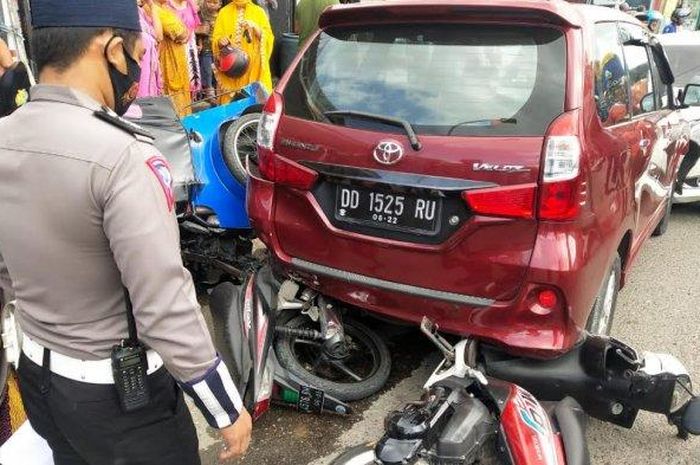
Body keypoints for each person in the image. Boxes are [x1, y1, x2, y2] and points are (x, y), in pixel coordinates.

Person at [0, 1, 252, 464]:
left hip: (39, 378)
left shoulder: (4, 135)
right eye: (136, 53)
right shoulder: (122, 157)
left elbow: (4, 275)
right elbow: (161, 302)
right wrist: (225, 408)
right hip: (121, 402)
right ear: (113, 51)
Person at [212, 0, 274, 101]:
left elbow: (268, 38)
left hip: (253, 69)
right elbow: (216, 37)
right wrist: (220, 41)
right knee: (230, 107)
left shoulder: (259, 12)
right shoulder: (223, 12)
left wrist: (256, 28)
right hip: (230, 70)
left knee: (252, 103)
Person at [156, 0, 193, 114]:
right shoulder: (155, 10)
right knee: (175, 95)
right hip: (169, 61)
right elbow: (180, 33)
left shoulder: (165, 9)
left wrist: (184, 32)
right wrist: (183, 31)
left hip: (177, 59)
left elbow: (185, 33)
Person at [168, 0, 203, 97]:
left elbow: (195, 26)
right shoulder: (166, 4)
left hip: (190, 44)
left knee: (192, 77)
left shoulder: (190, 3)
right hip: (175, 46)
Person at [137, 0, 164, 97]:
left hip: (148, 67)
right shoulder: (126, 12)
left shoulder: (141, 12)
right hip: (137, 66)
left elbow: (159, 36)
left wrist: (152, 6)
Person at [196, 0, 221, 99]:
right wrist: (200, 44)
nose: (211, 4)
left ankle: (217, 92)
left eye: (214, 2)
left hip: (218, 50)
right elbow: (200, 34)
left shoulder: (221, 16)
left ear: (219, 5)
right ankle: (209, 92)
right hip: (206, 49)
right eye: (209, 2)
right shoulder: (202, 15)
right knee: (207, 71)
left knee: (217, 71)